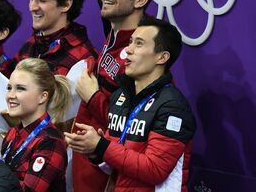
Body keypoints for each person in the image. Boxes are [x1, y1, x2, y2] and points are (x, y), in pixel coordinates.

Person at [68, 17, 196, 191]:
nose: (128, 50)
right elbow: (117, 161)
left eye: (139, 43)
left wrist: (102, 146)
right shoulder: (120, 97)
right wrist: (96, 152)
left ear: (162, 57)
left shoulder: (172, 106)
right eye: (130, 42)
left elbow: (155, 169)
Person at [71, 0, 160, 191]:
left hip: (106, 170)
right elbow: (114, 4)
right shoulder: (116, 28)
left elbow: (133, 122)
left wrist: (92, 97)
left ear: (141, 0)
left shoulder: (141, 55)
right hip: (85, 161)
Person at [0, 0, 98, 77]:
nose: (32, 7)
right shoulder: (31, 43)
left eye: (42, 0)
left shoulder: (84, 58)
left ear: (66, 5)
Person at [2, 58, 68, 192]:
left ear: (42, 97)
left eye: (20, 89)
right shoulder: (13, 133)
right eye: (9, 88)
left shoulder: (51, 142)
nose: (10, 95)